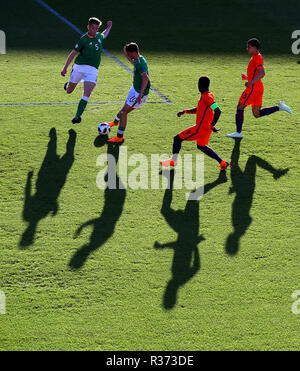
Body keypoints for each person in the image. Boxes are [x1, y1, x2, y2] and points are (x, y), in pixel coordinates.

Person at [160, 76, 229, 171]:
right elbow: (199, 109)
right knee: (201, 146)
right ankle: (222, 163)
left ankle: (173, 160)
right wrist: (185, 111)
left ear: (200, 86)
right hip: (205, 129)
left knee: (177, 138)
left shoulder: (207, 97)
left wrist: (212, 125)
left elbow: (218, 111)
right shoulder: (207, 96)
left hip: (200, 129)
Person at [227, 38, 292, 138]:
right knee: (256, 114)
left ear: (255, 47)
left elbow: (262, 73)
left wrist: (251, 82)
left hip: (253, 88)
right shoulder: (255, 57)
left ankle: (238, 132)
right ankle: (279, 107)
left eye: (249, 47)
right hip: (258, 87)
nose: (247, 49)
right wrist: (248, 78)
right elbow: (256, 73)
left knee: (240, 107)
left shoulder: (257, 57)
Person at [61, 17, 112, 124]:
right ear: (88, 27)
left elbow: (104, 34)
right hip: (79, 68)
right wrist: (65, 68)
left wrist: (109, 27)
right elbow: (73, 53)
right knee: (69, 91)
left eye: (96, 28)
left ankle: (77, 117)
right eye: (92, 28)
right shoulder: (83, 39)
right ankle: (68, 85)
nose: (94, 30)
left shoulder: (98, 36)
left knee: (87, 94)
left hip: (92, 70)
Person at [107, 42, 150, 143]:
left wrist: (140, 95)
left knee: (123, 112)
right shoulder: (139, 59)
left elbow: (146, 78)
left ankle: (119, 137)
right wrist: (126, 53)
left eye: (129, 54)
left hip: (139, 93)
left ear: (133, 52)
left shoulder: (140, 63)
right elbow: (133, 61)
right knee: (123, 109)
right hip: (134, 89)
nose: (129, 57)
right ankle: (114, 122)